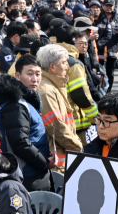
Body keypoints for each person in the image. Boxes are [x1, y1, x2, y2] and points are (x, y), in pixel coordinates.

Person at [0, 57, 55, 192]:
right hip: (26, 175)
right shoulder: (15, 105)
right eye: (29, 74)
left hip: (34, 172)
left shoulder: (25, 100)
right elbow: (20, 143)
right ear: (17, 76)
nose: (35, 79)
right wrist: (44, 162)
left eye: (38, 74)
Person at [36, 43, 83, 172]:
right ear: (52, 67)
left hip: (63, 156)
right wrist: (78, 146)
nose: (67, 67)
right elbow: (56, 127)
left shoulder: (53, 86)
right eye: (64, 63)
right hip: (58, 162)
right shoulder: (46, 91)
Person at [96, 0, 118, 92]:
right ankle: (100, 90)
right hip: (99, 49)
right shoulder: (98, 18)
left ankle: (108, 91)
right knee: (99, 71)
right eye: (107, 6)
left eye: (111, 6)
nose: (109, 8)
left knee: (110, 73)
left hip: (112, 50)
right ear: (103, 6)